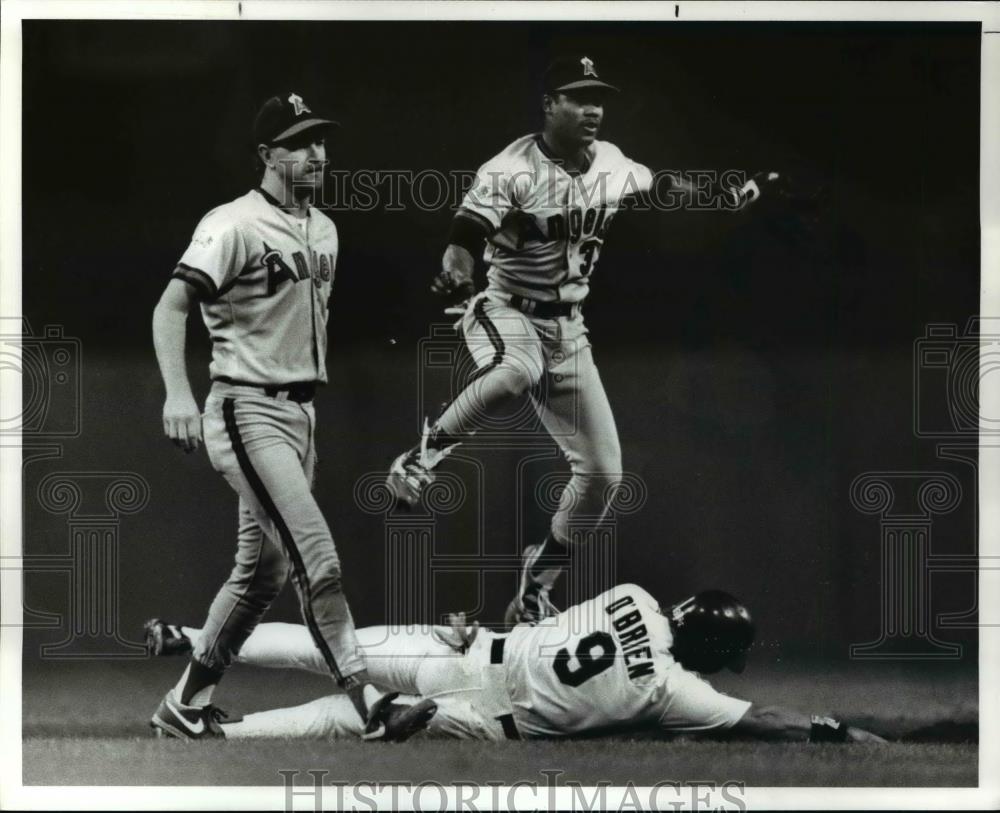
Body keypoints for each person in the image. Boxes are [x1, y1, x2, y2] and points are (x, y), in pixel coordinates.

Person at [385, 56, 774, 625]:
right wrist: (456, 265)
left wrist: (722, 196)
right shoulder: (508, 170)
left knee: (601, 476)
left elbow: (660, 185)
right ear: (548, 105)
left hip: (569, 330)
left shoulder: (611, 161)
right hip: (504, 310)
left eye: (598, 98)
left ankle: (536, 585)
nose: (592, 108)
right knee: (515, 370)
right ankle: (420, 458)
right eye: (576, 97)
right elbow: (465, 231)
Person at [149, 91, 435, 742]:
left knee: (261, 574)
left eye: (321, 141)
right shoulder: (232, 223)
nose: (318, 153)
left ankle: (184, 702)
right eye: (302, 142)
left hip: (301, 414)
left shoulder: (325, 227)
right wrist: (177, 393)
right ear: (266, 155)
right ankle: (370, 704)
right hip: (246, 407)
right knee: (318, 557)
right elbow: (171, 308)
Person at [144, 584, 884, 743]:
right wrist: (835, 731)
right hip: (489, 717)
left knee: (333, 647)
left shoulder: (632, 594)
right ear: (712, 651)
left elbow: (542, 620)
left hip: (467, 649)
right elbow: (760, 719)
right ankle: (218, 737)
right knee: (339, 720)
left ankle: (190, 632)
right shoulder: (670, 690)